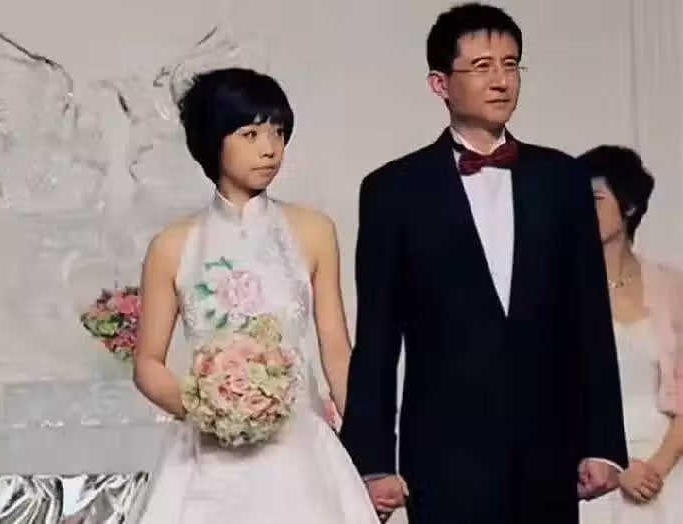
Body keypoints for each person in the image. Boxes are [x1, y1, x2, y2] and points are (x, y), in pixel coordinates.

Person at [339, 3, 629, 523]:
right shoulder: (392, 190)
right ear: (440, 83)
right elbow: (377, 336)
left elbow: (589, 317)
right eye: (482, 66)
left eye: (511, 64)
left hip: (549, 453)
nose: (501, 80)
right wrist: (372, 460)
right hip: (443, 456)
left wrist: (604, 443)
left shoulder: (561, 179)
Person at [132, 67, 380, 524]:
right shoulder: (172, 245)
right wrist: (211, 407)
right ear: (212, 140)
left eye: (278, 132)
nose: (270, 148)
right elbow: (147, 362)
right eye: (250, 134)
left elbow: (336, 351)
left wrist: (371, 451)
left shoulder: (313, 230)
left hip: (300, 452)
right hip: (206, 461)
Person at [576, 145, 683, 523]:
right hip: (593, 473)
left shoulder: (672, 287)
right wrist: (617, 468)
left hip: (668, 468)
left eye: (595, 199)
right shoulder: (556, 293)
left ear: (629, 207)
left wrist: (658, 467)